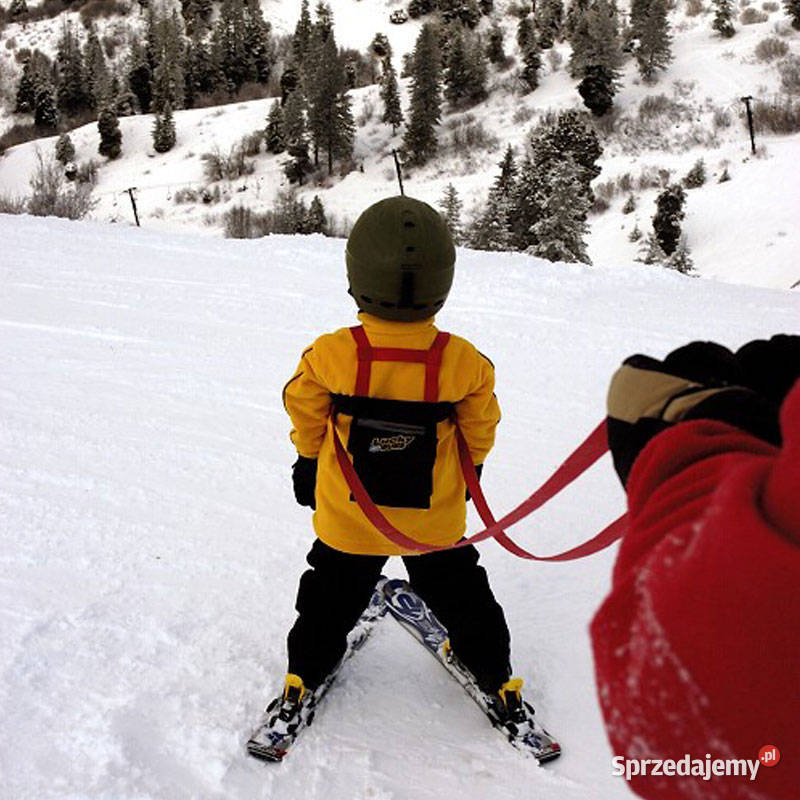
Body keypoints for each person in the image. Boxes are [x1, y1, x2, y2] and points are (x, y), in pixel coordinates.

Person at [278, 196, 524, 721]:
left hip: (348, 522)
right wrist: (471, 471)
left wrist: (307, 459)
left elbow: (304, 408)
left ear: (357, 276)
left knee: (326, 600)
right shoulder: (463, 361)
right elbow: (481, 426)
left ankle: (306, 675)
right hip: (432, 525)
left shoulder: (331, 354)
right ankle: (495, 677)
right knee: (463, 596)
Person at [593, 336, 800, 799]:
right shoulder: (466, 365)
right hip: (445, 510)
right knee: (456, 572)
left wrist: (696, 445)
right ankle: (490, 668)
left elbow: (686, 728)